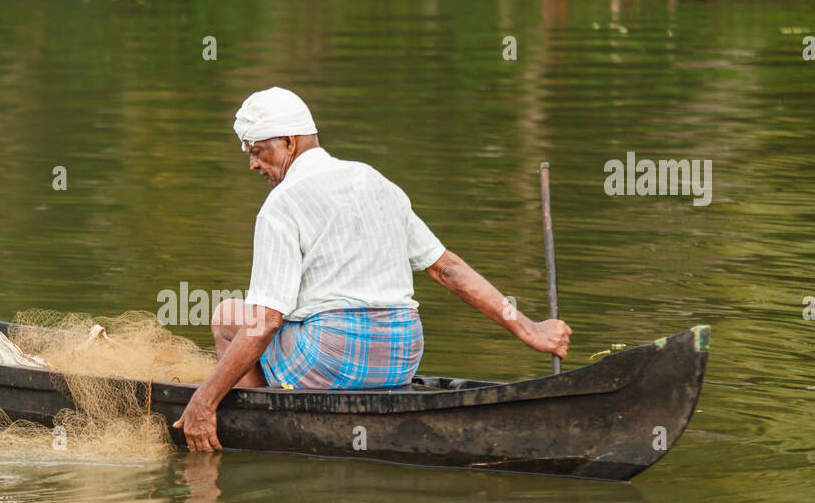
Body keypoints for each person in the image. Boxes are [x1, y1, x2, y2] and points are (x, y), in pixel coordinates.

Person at [174, 87, 571, 452]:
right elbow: (447, 268)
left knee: (229, 315)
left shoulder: (281, 204)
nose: (253, 164)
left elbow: (266, 321)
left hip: (329, 359)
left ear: (289, 143)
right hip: (402, 355)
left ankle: (265, 423)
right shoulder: (376, 180)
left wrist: (203, 401)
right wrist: (529, 328)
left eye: (258, 151)